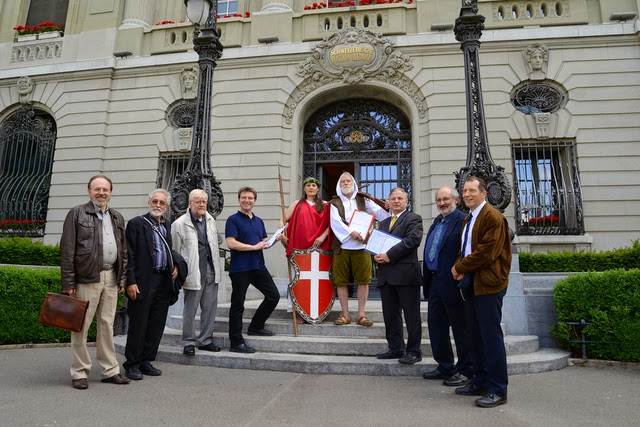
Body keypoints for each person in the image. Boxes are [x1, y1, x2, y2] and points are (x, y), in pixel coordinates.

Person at [60, 175, 131, 390]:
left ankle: (110, 370)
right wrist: (68, 282)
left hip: (111, 278)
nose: (101, 193)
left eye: (105, 189)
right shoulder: (77, 213)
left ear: (111, 192)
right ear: (89, 190)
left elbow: (124, 251)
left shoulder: (117, 217)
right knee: (81, 326)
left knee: (107, 326)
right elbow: (68, 249)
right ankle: (80, 372)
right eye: (97, 189)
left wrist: (122, 278)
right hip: (87, 278)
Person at [451, 176, 512, 408]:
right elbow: (465, 249)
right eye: (464, 191)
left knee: (490, 337)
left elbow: (487, 253)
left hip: (489, 284)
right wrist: (459, 264)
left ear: (484, 193)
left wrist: (459, 266)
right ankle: (479, 380)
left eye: (472, 191)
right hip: (472, 284)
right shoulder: (469, 219)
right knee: (474, 336)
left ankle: (498, 389)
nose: (467, 194)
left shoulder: (493, 217)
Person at [123, 189, 181, 380]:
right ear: (149, 203)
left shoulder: (166, 225)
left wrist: (177, 266)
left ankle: (146, 360)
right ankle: (132, 363)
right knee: (139, 324)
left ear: (166, 207)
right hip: (142, 281)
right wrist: (130, 281)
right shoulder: (136, 224)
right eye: (155, 201)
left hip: (162, 281)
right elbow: (128, 255)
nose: (158, 205)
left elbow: (169, 251)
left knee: (156, 324)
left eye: (162, 203)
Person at [421, 186, 473, 385]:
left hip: (453, 283)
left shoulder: (463, 220)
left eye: (446, 199)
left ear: (456, 200)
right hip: (434, 283)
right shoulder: (438, 220)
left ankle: (466, 369)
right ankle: (445, 366)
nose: (442, 203)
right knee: (437, 327)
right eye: (439, 200)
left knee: (460, 328)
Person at [225, 187, 281, 353]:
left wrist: (274, 240)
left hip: (257, 266)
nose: (247, 200)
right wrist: (253, 246)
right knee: (237, 305)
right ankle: (236, 342)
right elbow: (231, 243)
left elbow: (263, 242)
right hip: (240, 268)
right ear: (239, 199)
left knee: (273, 296)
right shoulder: (233, 219)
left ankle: (256, 326)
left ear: (254, 200)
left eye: (250, 198)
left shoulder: (258, 221)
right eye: (244, 198)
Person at [330, 172, 389, 326]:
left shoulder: (363, 200)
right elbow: (335, 222)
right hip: (342, 247)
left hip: (362, 246)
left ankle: (361, 315)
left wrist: (389, 209)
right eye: (342, 181)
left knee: (363, 281)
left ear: (353, 183)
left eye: (348, 180)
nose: (345, 183)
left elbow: (379, 214)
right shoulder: (335, 203)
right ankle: (345, 315)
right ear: (339, 184)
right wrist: (351, 232)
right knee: (341, 281)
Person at [373, 188, 423, 364]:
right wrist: (375, 255)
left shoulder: (413, 219)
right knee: (390, 315)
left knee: (412, 316)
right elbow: (378, 244)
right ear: (389, 201)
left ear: (406, 201)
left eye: (400, 198)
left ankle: (414, 351)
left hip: (406, 276)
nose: (396, 201)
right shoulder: (384, 222)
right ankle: (395, 348)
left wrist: (388, 255)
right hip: (386, 277)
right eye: (393, 198)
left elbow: (412, 241)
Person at [172, 189, 223, 356]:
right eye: (198, 201)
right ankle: (188, 341)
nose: (202, 205)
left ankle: (205, 340)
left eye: (204, 202)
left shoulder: (210, 220)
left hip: (211, 269)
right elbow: (174, 251)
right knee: (190, 308)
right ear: (190, 203)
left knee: (209, 307)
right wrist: (177, 269)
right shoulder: (179, 223)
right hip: (193, 270)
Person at [279, 177, 331, 323]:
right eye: (308, 185)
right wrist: (282, 234)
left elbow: (331, 225)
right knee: (298, 279)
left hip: (317, 249)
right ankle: (298, 311)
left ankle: (314, 310)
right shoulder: (297, 204)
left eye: (314, 185)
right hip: (299, 248)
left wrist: (322, 236)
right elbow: (282, 220)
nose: (311, 188)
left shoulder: (325, 205)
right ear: (304, 188)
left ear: (318, 188)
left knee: (316, 281)